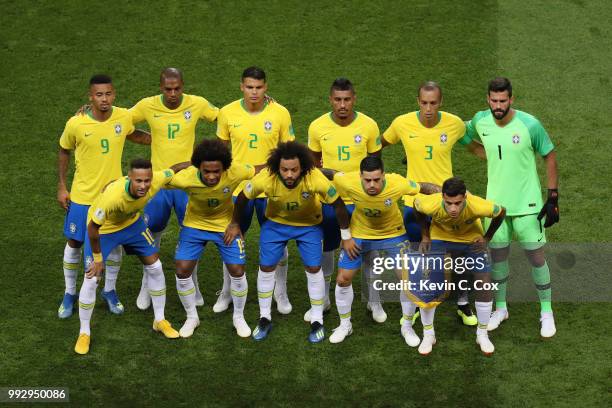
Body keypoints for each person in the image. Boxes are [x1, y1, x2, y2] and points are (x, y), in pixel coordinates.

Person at [381, 81, 485, 326]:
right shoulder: (402, 123)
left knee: (456, 255)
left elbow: (474, 148)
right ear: (418, 102)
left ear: (441, 102)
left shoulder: (454, 124)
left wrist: (506, 154)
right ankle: (420, 301)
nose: (428, 108)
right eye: (424, 103)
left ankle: (462, 301)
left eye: (433, 103)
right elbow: (377, 145)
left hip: (447, 202)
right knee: (419, 253)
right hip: (414, 201)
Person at [224, 141, 350, 343]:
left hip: (309, 226)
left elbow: (338, 205)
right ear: (277, 168)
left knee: (313, 267)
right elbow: (242, 198)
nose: (289, 174)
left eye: (294, 170)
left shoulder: (314, 177)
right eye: (285, 170)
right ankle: (265, 317)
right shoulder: (266, 177)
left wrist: (346, 236)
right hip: (276, 225)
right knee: (266, 267)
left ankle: (317, 319)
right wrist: (234, 223)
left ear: (303, 168)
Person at [463, 77, 559, 338]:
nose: (498, 105)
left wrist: (552, 196)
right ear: (488, 99)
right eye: (493, 100)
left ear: (511, 99)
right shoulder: (480, 121)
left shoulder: (530, 124)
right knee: (498, 259)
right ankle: (501, 308)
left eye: (502, 101)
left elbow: (549, 155)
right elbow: (461, 134)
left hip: (528, 206)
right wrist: (485, 153)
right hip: (495, 208)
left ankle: (547, 312)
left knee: (536, 258)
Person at [57, 74, 150, 319]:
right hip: (82, 196)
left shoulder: (122, 116)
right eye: (99, 95)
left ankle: (109, 290)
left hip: (112, 197)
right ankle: (69, 293)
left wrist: (160, 140)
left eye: (108, 93)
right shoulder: (76, 123)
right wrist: (61, 186)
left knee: (114, 244)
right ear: (91, 97)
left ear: (114, 94)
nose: (104, 99)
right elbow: (64, 150)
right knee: (75, 242)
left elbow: (133, 133)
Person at [74, 158, 188, 355]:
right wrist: (99, 259)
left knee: (156, 267)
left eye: (147, 180)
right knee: (91, 279)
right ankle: (84, 333)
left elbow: (174, 169)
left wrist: (196, 161)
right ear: (130, 178)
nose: (144, 185)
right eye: (138, 181)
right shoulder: (112, 197)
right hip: (104, 230)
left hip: (132, 225)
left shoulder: (156, 181)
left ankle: (159, 320)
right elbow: (93, 228)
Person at [325, 156, 441, 344]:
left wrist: (446, 193)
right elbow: (330, 173)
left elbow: (423, 187)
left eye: (377, 180)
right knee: (343, 278)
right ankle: (345, 325)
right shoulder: (347, 180)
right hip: (360, 234)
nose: (372, 185)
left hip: (393, 234)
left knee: (408, 279)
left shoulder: (397, 183)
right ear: (360, 176)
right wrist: (306, 170)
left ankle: (407, 326)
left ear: (384, 176)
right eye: (367, 180)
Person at [130, 68, 219, 310]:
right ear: (161, 88)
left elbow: (227, 119)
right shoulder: (147, 105)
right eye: (168, 89)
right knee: (151, 232)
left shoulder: (197, 104)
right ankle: (146, 283)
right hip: (157, 183)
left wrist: (264, 103)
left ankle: (194, 283)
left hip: (187, 184)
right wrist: (147, 138)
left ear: (183, 86)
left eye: (177, 88)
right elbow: (120, 122)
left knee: (191, 233)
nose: (172, 93)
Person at [215, 66, 295, 315]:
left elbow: (289, 152)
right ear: (241, 87)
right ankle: (227, 290)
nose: (254, 92)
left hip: (271, 190)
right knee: (230, 238)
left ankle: (280, 292)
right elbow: (220, 153)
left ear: (266, 87)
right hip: (238, 191)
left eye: (259, 87)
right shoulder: (227, 112)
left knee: (278, 242)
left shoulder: (280, 113)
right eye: (249, 87)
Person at [307, 77, 385, 323]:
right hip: (331, 201)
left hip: (363, 200)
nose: (342, 105)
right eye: (338, 100)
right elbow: (313, 165)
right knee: (328, 246)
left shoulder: (369, 126)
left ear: (354, 99)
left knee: (371, 249)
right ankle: (325, 298)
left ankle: (375, 300)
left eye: (347, 99)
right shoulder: (317, 127)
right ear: (330, 100)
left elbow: (375, 165)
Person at [168, 139, 262, 338]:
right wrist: (179, 165)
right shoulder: (186, 178)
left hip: (224, 226)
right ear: (198, 167)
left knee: (237, 269)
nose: (211, 176)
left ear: (225, 168)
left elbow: (259, 169)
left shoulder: (235, 171)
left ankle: (238, 317)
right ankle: (192, 317)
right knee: (182, 269)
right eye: (206, 171)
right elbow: (159, 177)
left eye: (216, 171)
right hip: (194, 225)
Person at [414, 177, 506, 355]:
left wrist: (487, 238)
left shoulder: (478, 205)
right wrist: (425, 236)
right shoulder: (429, 204)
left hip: (471, 241)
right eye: (448, 203)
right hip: (441, 239)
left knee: (484, 286)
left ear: (465, 197)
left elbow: (502, 212)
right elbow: (416, 209)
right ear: (442, 197)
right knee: (429, 285)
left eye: (457, 203)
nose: (453, 209)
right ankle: (428, 334)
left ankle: (482, 334)